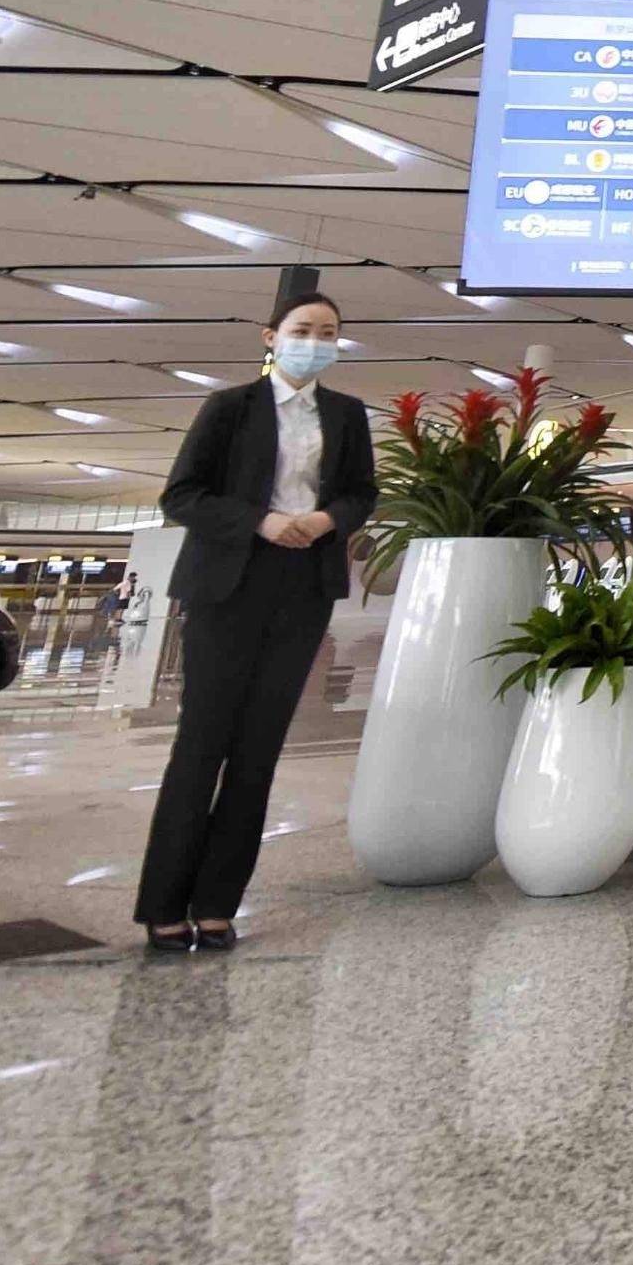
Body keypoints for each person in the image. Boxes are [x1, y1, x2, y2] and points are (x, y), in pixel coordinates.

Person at [134, 292, 375, 952]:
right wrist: (260, 521)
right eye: (303, 329)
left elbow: (361, 492)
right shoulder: (229, 407)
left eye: (327, 332)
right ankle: (164, 905)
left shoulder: (347, 414)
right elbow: (182, 495)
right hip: (227, 584)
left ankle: (216, 904)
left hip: (304, 586)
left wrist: (327, 519)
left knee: (258, 751)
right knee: (200, 745)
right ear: (271, 336)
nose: (314, 341)